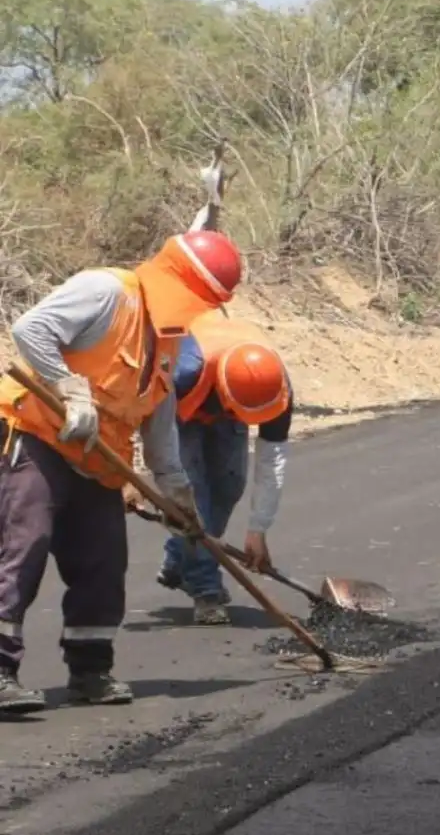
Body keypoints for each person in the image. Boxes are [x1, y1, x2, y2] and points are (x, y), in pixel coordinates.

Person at [0, 230, 243, 712]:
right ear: (182, 282)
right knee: (24, 548)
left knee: (104, 563)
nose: (200, 309)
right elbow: (30, 329)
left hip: (97, 461)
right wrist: (70, 390)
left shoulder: (169, 340)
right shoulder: (108, 292)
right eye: (201, 297)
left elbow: (159, 423)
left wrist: (175, 491)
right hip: (37, 436)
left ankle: (91, 672)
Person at [154, 310, 293, 625]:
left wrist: (258, 530)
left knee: (230, 486)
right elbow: (144, 411)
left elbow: (273, 460)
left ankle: (180, 556)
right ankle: (206, 590)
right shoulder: (181, 372)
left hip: (224, 397)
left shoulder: (274, 387)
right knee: (194, 497)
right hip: (178, 411)